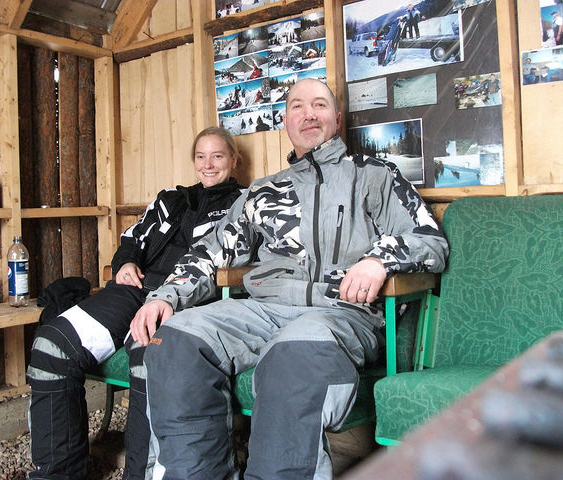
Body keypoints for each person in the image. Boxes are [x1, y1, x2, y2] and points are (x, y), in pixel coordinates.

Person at [135, 78, 449, 479]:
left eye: (319, 105)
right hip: (264, 308)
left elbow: (429, 240)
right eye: (298, 106)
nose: (309, 114)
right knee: (175, 340)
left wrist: (379, 261)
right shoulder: (264, 192)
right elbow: (211, 251)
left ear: (337, 119)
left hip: (338, 312)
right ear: (285, 120)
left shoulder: (373, 175)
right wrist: (166, 296)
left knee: (292, 359)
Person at [25, 127, 245, 480]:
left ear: (234, 160)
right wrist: (125, 262)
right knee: (52, 345)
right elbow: (133, 237)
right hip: (133, 289)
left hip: (186, 300)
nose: (208, 164)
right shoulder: (170, 199)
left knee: (150, 354)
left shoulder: (244, 202)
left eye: (218, 156)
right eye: (201, 156)